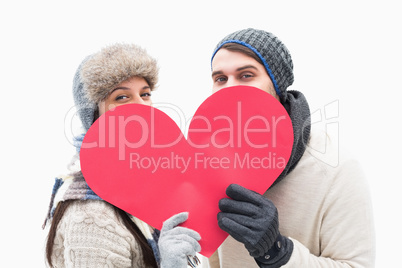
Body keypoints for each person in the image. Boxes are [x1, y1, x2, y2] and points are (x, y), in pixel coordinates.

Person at [201, 28, 375, 267]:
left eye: (246, 75)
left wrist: (278, 252)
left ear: (277, 85)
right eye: (220, 79)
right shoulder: (208, 164)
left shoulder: (336, 169)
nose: (230, 88)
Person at [43, 43, 201, 268]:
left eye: (145, 94)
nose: (141, 106)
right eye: (121, 97)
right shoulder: (92, 217)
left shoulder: (154, 189)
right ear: (96, 118)